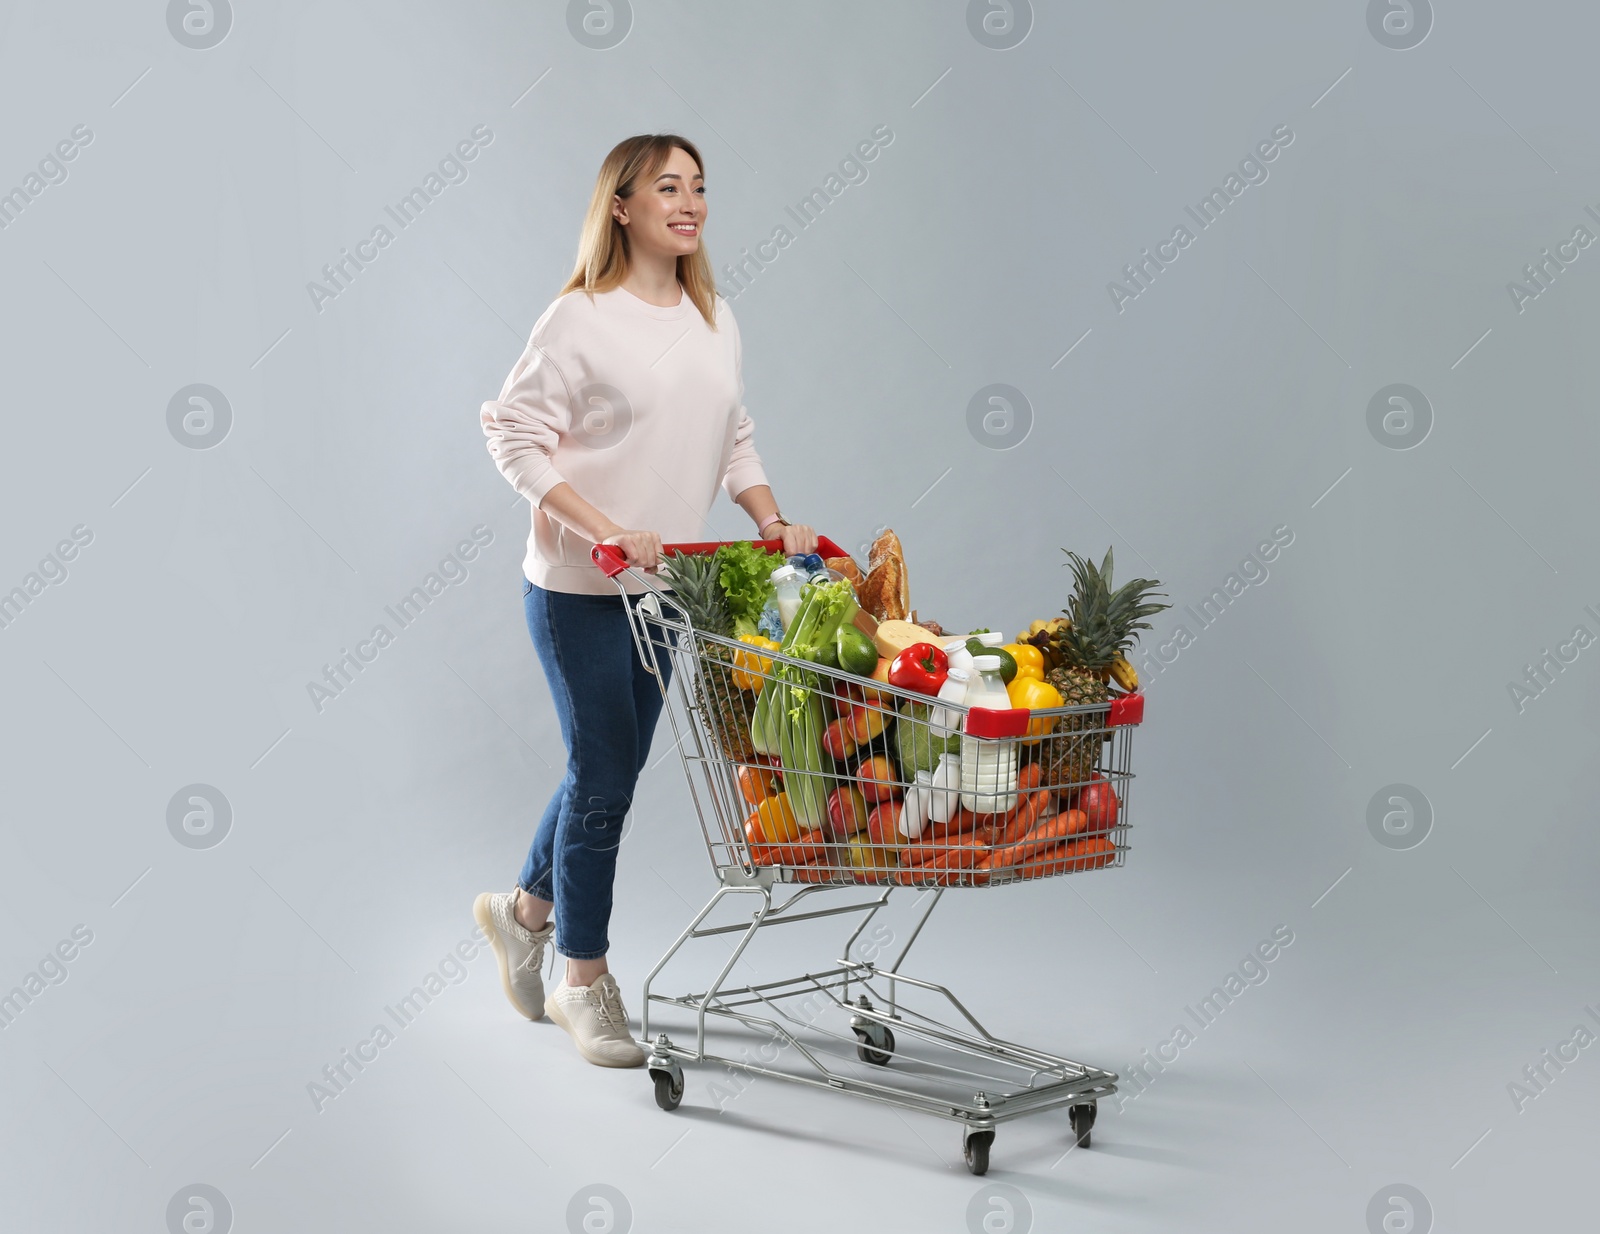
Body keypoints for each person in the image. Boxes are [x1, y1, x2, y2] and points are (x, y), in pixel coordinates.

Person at [473, 134, 817, 1067]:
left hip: (664, 598)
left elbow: (732, 433)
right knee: (607, 778)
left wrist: (770, 515)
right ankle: (581, 981)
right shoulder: (577, 320)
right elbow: (514, 438)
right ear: (620, 206)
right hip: (580, 590)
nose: (690, 202)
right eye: (668, 186)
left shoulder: (715, 317)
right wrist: (603, 531)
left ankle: (521, 914)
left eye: (700, 186)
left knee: (605, 771)